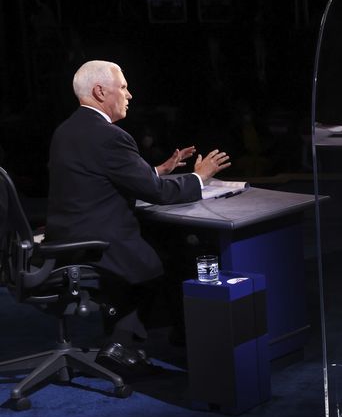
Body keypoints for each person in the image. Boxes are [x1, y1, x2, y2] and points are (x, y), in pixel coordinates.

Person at [46, 60, 232, 348]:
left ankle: (126, 340)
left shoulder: (67, 130)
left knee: (159, 243)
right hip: (100, 242)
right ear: (99, 91)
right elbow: (158, 193)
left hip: (67, 237)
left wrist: (155, 170)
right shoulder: (110, 136)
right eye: (122, 87)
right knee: (179, 255)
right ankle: (142, 345)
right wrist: (199, 177)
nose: (129, 95)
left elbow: (98, 176)